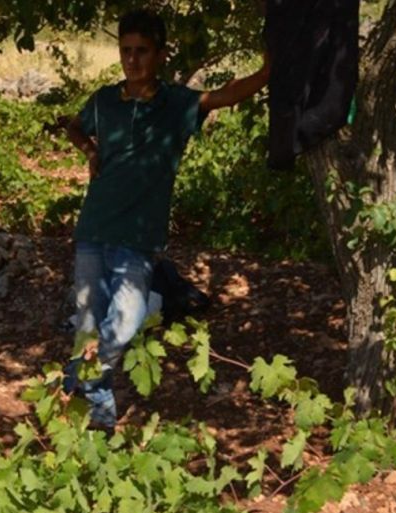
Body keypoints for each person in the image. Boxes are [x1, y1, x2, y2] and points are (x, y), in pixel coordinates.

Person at [63, 9, 270, 431]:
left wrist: (269, 70)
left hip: (138, 238)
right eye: (125, 51)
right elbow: (75, 126)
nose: (132, 60)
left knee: (126, 320)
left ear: (161, 55)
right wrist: (90, 150)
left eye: (141, 51)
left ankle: (75, 381)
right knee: (87, 324)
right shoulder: (104, 100)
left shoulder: (176, 104)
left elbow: (227, 95)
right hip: (94, 229)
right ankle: (95, 422)